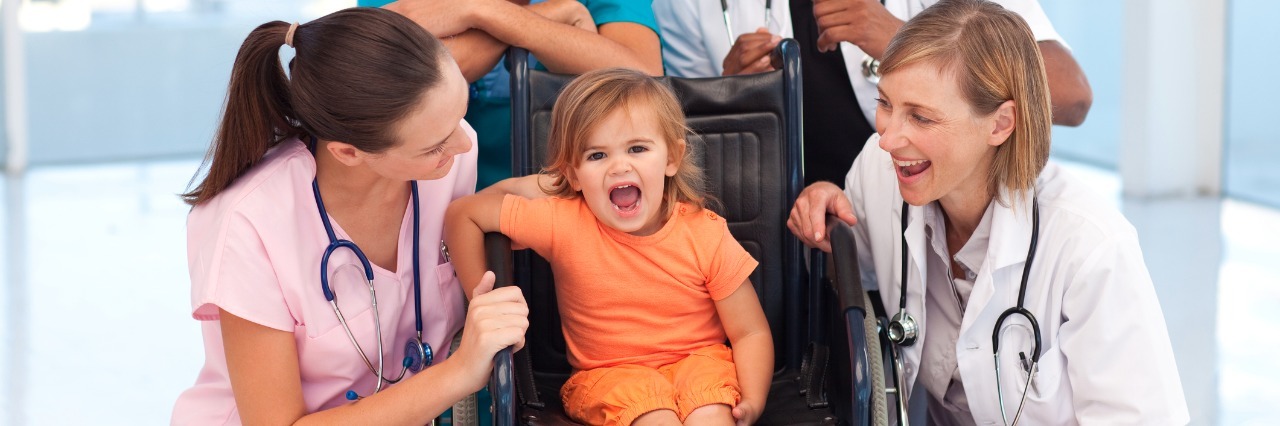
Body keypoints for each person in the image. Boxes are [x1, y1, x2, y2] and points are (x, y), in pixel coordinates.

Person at [786, 1, 1187, 424]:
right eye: (886, 104)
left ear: (1000, 124)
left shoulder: (1090, 249)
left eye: (921, 117)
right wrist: (826, 205)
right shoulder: (880, 172)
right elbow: (849, 274)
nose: (888, 140)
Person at [171, 8, 529, 424]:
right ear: (348, 153)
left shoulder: (447, 157)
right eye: (433, 146)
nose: (462, 146)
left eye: (457, 117)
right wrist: (459, 372)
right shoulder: (247, 225)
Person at [443, 68, 774, 426]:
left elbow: (750, 331)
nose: (619, 166)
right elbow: (464, 215)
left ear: (671, 158)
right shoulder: (563, 221)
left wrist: (753, 400)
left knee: (710, 414)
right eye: (597, 156)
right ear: (573, 174)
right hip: (611, 375)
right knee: (655, 417)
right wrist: (484, 308)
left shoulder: (705, 233)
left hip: (701, 363)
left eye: (637, 148)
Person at [653, 0, 1092, 187]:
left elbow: (1071, 95)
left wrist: (905, 41)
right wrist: (728, 93)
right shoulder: (689, 5)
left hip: (925, 224)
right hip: (784, 240)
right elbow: (687, 147)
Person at [362, 0, 665, 190]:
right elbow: (414, 77)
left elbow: (643, 75)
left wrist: (481, 11)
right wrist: (555, 19)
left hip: (571, 199)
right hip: (438, 199)